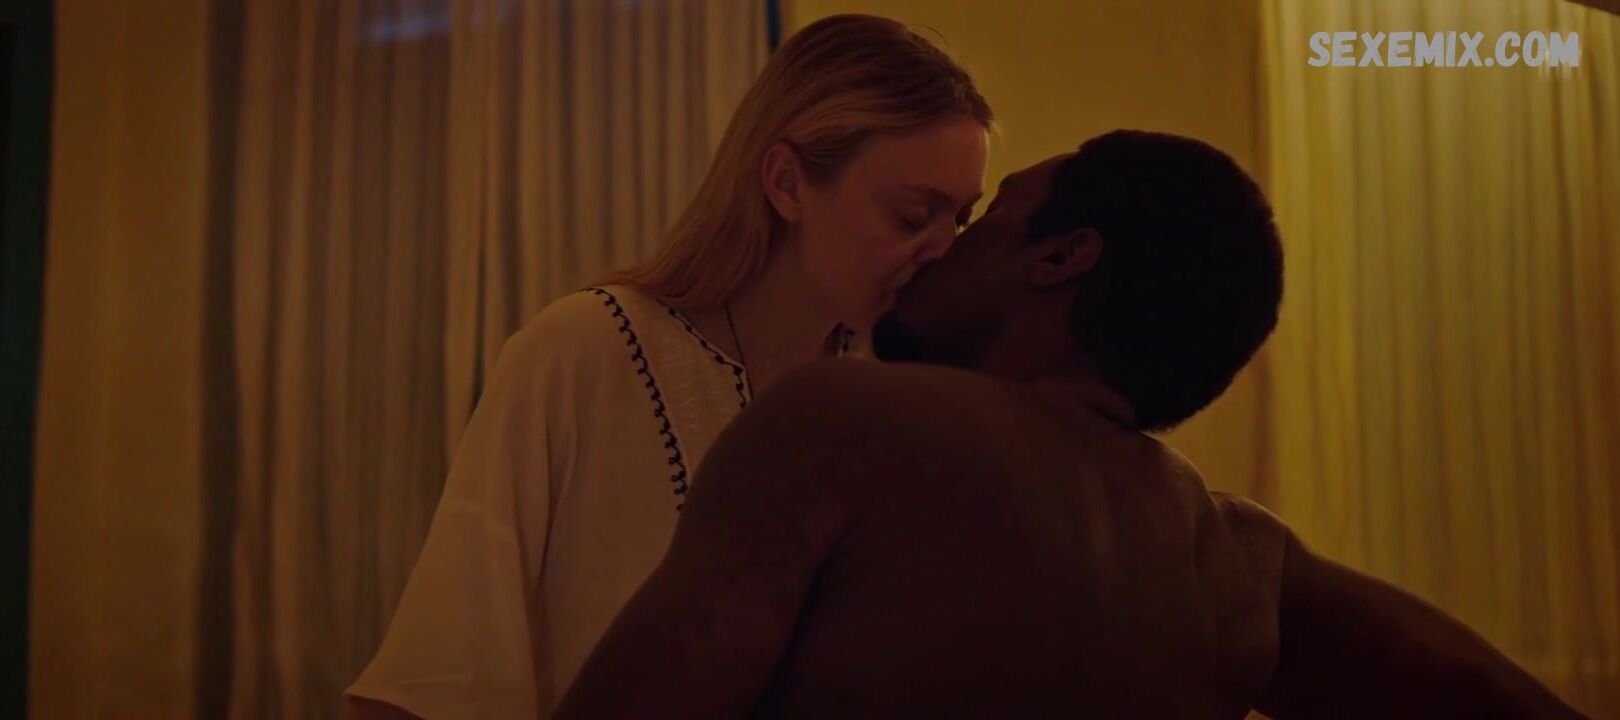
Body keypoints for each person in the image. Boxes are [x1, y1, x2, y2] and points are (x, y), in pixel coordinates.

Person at [552, 130, 1588, 719]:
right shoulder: (1239, 566)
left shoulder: (845, 421)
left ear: (1060, 257)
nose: (936, 250)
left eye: (983, 218)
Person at [346, 14, 992, 720]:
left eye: (959, 221)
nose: (944, 251)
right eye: (911, 216)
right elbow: (435, 678)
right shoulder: (584, 354)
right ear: (786, 183)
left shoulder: (895, 404)